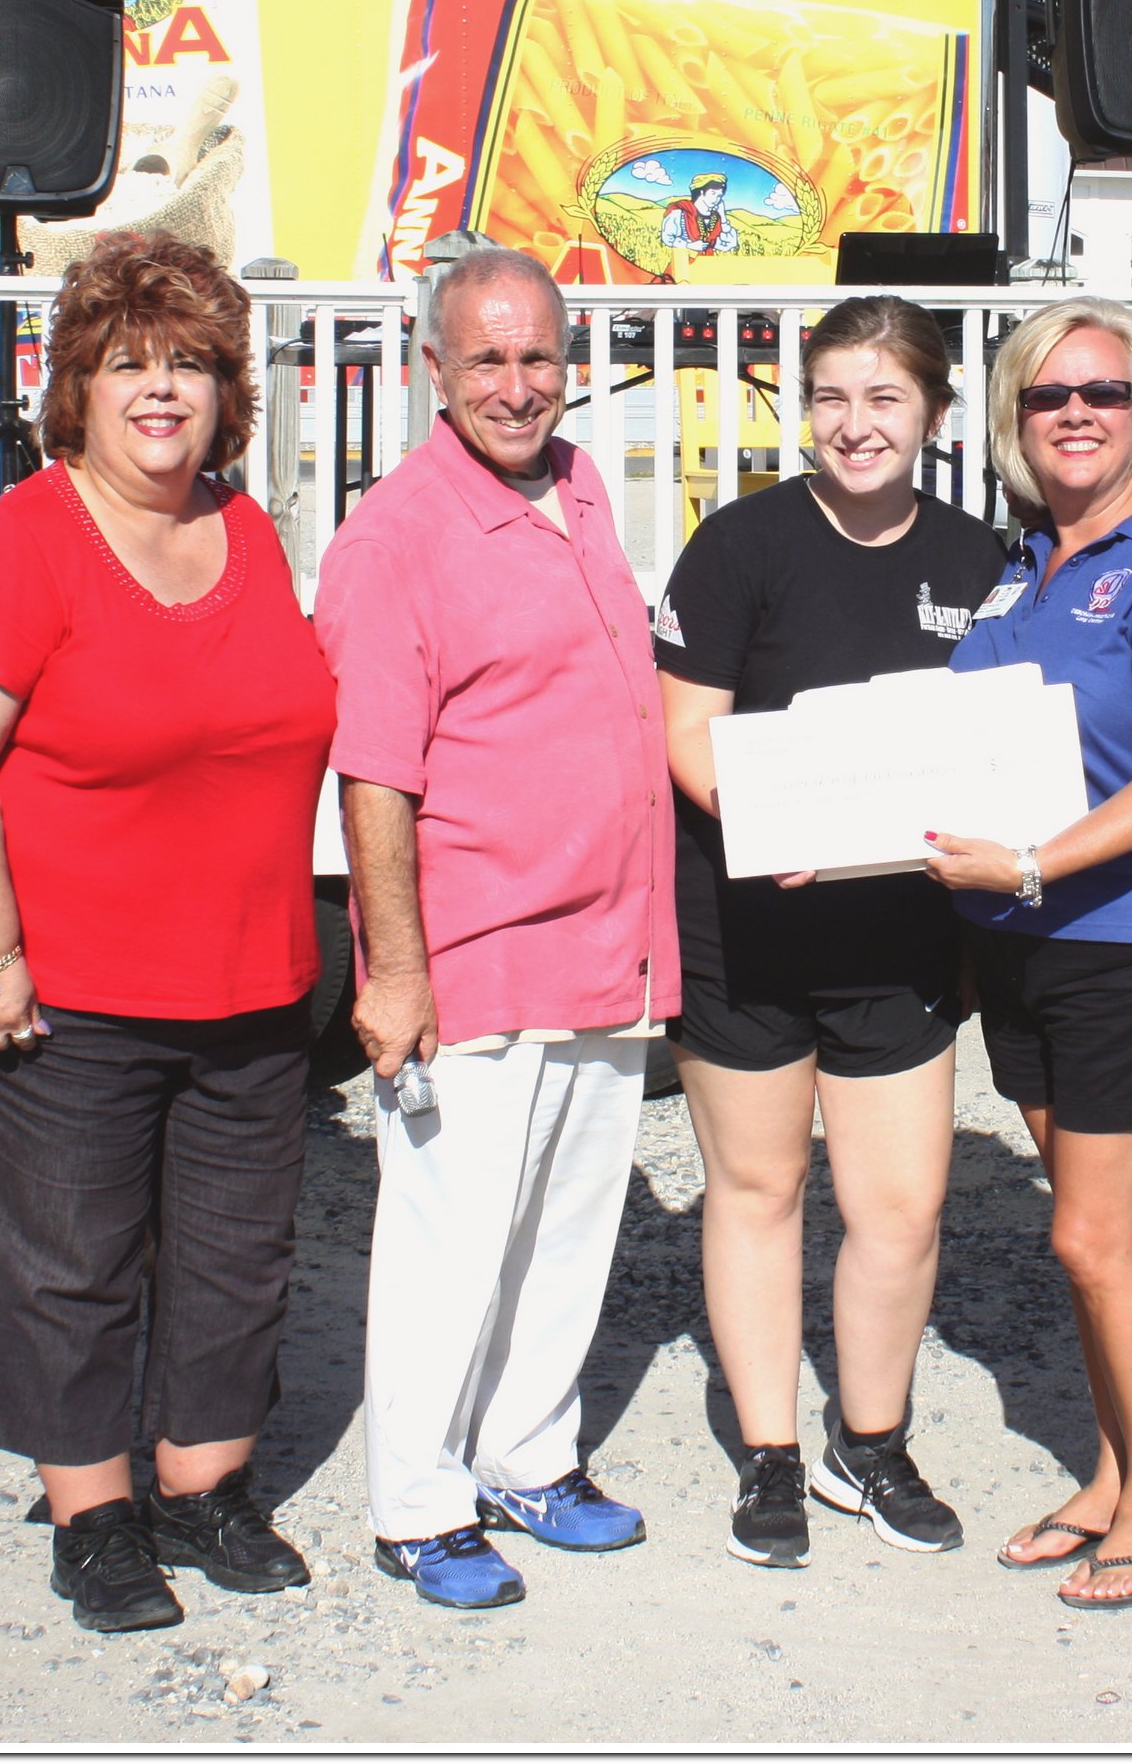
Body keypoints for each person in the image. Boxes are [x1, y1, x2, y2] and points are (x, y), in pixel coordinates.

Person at [0, 230, 335, 1635]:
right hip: (66, 992)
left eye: (191, 364)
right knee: (70, 1262)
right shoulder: (20, 544)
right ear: (75, 386)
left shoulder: (246, 531)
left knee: (231, 1251)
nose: (163, 392)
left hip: (251, 985)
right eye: (131, 363)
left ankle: (204, 1490)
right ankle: (93, 1515)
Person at [315, 245, 674, 1611]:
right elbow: (374, 778)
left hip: (603, 938)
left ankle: (526, 1453)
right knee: (449, 1243)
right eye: (487, 360)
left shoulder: (576, 484)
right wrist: (392, 972)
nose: (517, 387)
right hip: (473, 949)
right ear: (432, 370)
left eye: (537, 357)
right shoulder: (393, 537)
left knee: (568, 1224)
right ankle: (417, 1501)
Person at [653, 296, 1004, 1568]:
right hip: (748, 925)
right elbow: (684, 730)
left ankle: (873, 1442)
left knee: (900, 1210)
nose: (855, 426)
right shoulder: (739, 543)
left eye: (885, 399)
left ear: (935, 415)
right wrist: (763, 818)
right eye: (833, 398)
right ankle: (771, 1458)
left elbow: (998, 744)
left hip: (902, 941)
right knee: (758, 1190)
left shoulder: (981, 563)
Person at [924, 297, 1132, 1611]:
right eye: (1047, 395)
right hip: (1018, 940)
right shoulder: (1020, 567)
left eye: (1101, 393)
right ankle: (1114, 1477)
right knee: (1084, 1234)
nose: (1075, 413)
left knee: (1089, 1236)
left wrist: (1024, 865)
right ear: (1012, 421)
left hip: (1131, 936)